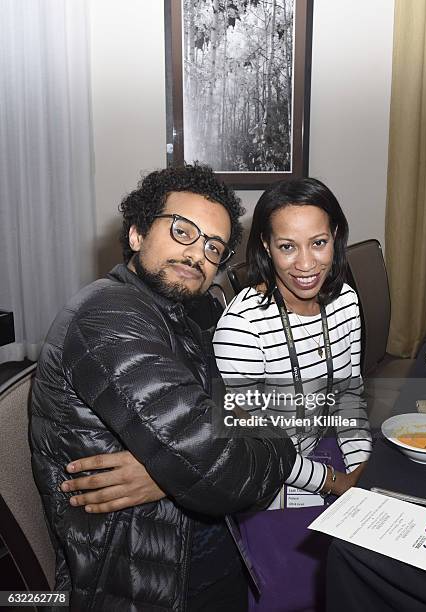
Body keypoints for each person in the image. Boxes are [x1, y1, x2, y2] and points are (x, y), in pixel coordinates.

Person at [29, 163, 296, 612]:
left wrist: (167, 472)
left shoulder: (176, 314)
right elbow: (230, 473)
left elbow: (237, 413)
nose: (197, 255)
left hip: (198, 545)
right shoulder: (111, 318)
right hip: (146, 576)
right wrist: (189, 469)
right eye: (182, 231)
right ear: (137, 234)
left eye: (214, 247)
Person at [212, 177, 373, 609]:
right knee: (307, 593)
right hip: (271, 479)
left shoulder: (346, 302)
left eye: (318, 242)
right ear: (265, 245)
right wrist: (336, 483)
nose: (306, 264)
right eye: (287, 247)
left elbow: (350, 395)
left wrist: (361, 467)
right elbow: (258, 448)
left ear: (335, 236)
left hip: (331, 452)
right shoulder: (242, 327)